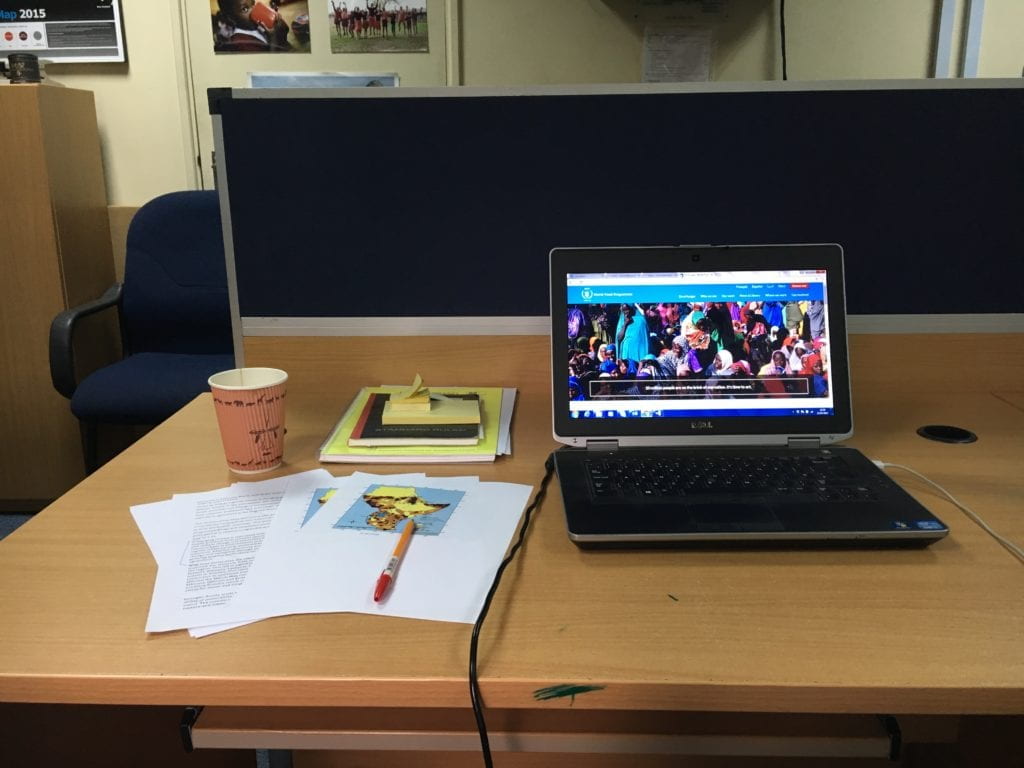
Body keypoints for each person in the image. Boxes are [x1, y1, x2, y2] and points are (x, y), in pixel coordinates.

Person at [212, 0, 292, 52]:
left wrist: (281, 29)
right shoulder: (242, 43)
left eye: (253, 3)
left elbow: (284, 37)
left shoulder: (259, 24)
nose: (254, 10)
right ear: (229, 17)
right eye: (245, 9)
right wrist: (276, 40)